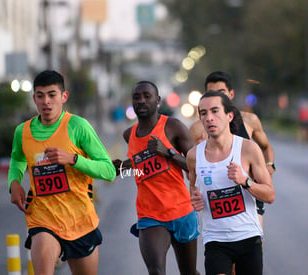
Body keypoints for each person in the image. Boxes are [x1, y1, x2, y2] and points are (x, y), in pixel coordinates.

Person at [8, 70, 116, 275]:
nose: (46, 102)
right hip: (42, 218)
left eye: (52, 95)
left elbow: (109, 170)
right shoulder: (23, 131)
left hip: (80, 220)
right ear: (34, 99)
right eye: (40, 96)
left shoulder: (78, 126)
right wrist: (14, 182)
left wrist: (73, 159)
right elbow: (18, 158)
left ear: (63, 97)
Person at [113, 81, 200, 275]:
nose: (141, 101)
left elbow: (196, 166)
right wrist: (122, 168)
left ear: (158, 100)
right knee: (156, 271)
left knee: (189, 272)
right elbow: (141, 170)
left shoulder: (173, 127)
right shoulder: (130, 135)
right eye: (137, 97)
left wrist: (169, 152)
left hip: (182, 212)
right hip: (150, 215)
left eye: (147, 96)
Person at [187, 90, 275, 275]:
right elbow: (194, 187)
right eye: (204, 113)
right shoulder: (194, 155)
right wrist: (194, 198)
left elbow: (270, 195)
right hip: (215, 240)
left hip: (248, 237)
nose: (209, 118)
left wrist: (245, 181)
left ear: (229, 115)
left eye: (215, 111)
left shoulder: (248, 148)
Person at [189, 71, 275, 228]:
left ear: (231, 94)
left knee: (254, 239)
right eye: (211, 93)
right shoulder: (197, 129)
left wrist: (269, 165)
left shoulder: (249, 120)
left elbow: (266, 146)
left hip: (249, 193)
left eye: (221, 92)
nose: (216, 96)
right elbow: (190, 166)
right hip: (218, 197)